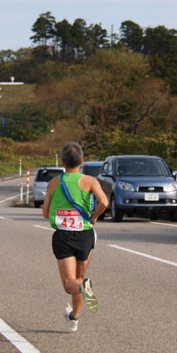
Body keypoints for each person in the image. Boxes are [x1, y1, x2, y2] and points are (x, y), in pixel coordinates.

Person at [42, 142, 108, 332]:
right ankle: (74, 318)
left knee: (69, 284)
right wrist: (94, 216)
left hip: (64, 235)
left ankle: (85, 289)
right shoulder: (90, 181)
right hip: (86, 235)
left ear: (62, 162)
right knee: (79, 277)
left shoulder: (53, 183)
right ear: (82, 161)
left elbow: (45, 213)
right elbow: (104, 201)